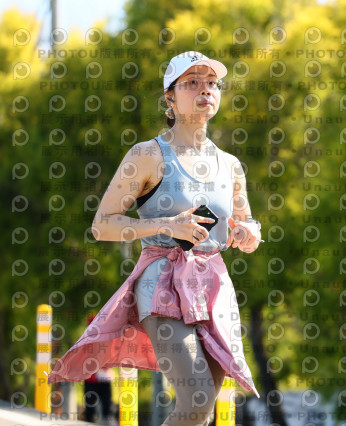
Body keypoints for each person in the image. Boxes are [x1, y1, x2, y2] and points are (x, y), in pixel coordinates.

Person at [47, 51, 262, 426]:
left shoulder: (230, 165)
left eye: (212, 83)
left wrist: (249, 232)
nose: (205, 90)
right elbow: (103, 225)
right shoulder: (146, 154)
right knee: (197, 399)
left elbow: (247, 224)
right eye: (192, 83)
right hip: (161, 283)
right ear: (169, 97)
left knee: (201, 412)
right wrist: (167, 225)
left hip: (213, 287)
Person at [83, 314, 115, 424]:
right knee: (90, 408)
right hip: (91, 378)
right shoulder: (86, 341)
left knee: (107, 406)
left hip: (104, 378)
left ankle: (107, 420)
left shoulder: (107, 339)